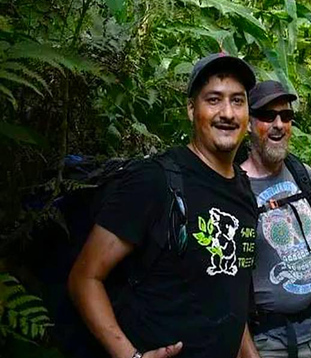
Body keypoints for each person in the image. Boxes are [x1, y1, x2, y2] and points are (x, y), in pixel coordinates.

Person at [68, 52, 260, 358]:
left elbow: (229, 292)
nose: (227, 113)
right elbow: (85, 278)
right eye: (213, 99)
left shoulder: (244, 188)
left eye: (237, 101)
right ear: (191, 109)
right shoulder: (155, 181)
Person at [240, 81, 311, 358]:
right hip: (268, 343)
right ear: (248, 123)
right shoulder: (235, 189)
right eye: (268, 116)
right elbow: (227, 290)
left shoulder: (304, 176)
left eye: (286, 116)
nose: (279, 124)